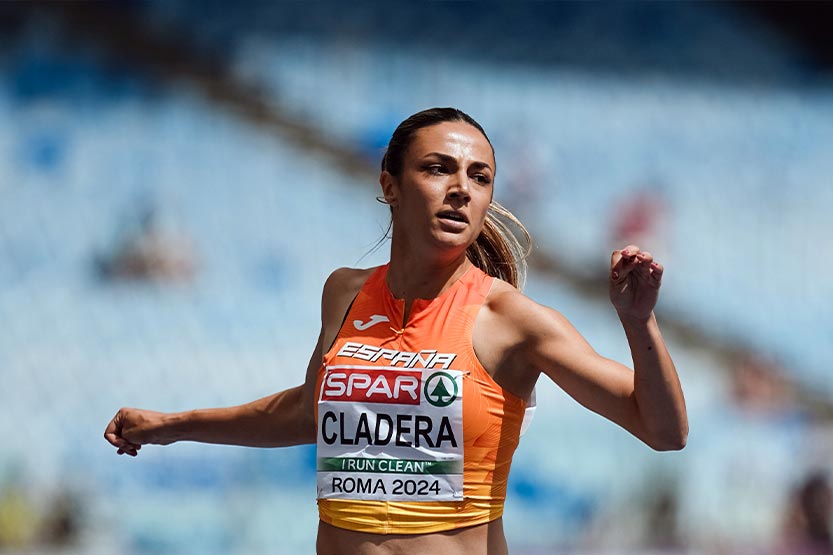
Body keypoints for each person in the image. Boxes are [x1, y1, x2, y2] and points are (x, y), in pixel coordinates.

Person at [104, 107, 688, 554]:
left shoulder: (510, 320)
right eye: (438, 168)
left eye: (480, 177)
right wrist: (173, 426)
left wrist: (638, 321)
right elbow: (308, 413)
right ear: (390, 185)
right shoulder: (344, 292)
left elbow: (663, 430)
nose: (461, 189)